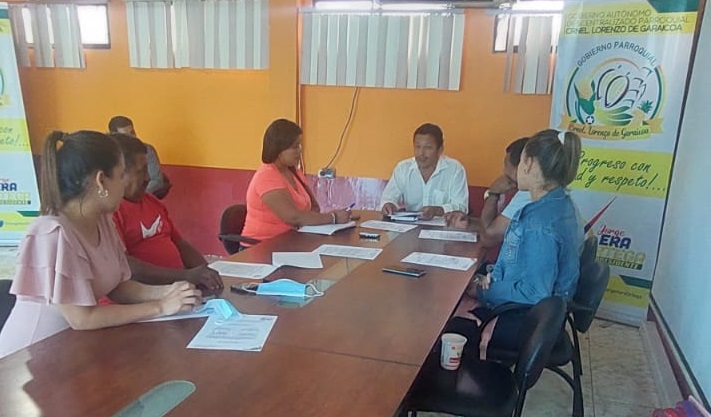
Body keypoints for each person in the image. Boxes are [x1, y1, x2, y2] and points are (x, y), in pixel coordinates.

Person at [0, 131, 201, 358]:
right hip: (28, 357)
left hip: (71, 351)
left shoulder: (102, 221)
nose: (124, 185)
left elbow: (118, 287)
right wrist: (161, 306)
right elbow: (82, 319)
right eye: (121, 175)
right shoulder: (52, 233)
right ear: (101, 180)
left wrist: (169, 291)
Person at [450, 129, 583, 351]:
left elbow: (533, 293)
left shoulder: (539, 224)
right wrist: (491, 277)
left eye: (520, 161)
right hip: (537, 312)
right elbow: (520, 264)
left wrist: (483, 291)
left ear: (528, 164)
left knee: (446, 325)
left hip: (528, 321)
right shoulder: (557, 204)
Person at [111, 133, 223, 293]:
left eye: (147, 170)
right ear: (120, 174)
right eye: (141, 171)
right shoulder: (112, 213)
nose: (148, 178)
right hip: (148, 296)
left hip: (178, 289)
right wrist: (187, 276)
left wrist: (206, 272)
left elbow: (179, 243)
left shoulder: (152, 202)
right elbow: (128, 267)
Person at [446, 136, 585, 250]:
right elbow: (501, 226)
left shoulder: (529, 196)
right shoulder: (557, 196)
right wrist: (469, 221)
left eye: (507, 166)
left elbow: (488, 237)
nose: (504, 172)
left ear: (527, 165)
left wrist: (493, 193)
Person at [241, 119, 352, 244]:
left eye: (299, 145)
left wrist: (332, 217)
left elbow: (314, 207)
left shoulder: (294, 171)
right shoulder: (267, 176)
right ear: (278, 150)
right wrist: (333, 217)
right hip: (261, 246)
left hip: (292, 240)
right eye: (294, 147)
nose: (299, 150)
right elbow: (293, 217)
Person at [380, 123, 469, 220]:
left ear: (440, 150)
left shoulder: (455, 169)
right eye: (417, 147)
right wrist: (389, 205)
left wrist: (437, 210)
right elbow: (388, 198)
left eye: (428, 148)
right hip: (411, 226)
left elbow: (461, 206)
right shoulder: (403, 168)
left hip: (443, 226)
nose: (421, 153)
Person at [108, 116, 172, 199]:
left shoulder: (147, 150)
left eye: (132, 132)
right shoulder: (109, 154)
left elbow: (156, 180)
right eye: (126, 135)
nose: (132, 137)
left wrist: (135, 195)